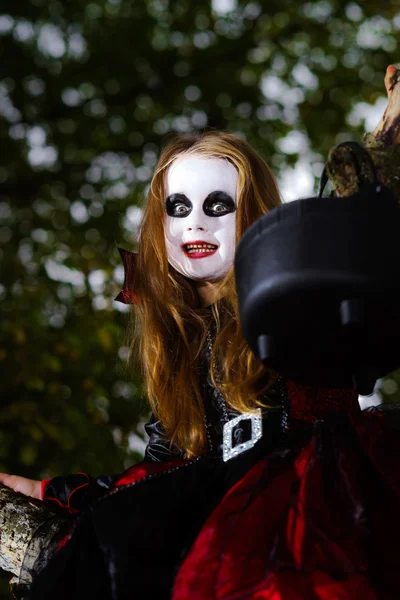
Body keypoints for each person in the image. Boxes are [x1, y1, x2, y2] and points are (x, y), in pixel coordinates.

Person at [1, 130, 400, 600]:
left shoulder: (293, 298)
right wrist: (53, 491)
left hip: (311, 505)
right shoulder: (177, 342)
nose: (195, 225)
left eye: (217, 206)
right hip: (214, 518)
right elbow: (164, 467)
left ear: (252, 214)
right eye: (178, 208)